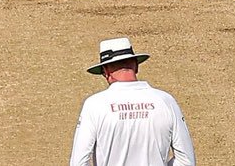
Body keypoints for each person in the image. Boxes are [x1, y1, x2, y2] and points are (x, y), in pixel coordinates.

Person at [69, 37, 194, 166]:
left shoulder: (94, 105)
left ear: (106, 71)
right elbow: (186, 161)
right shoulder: (166, 101)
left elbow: (78, 162)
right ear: (136, 65)